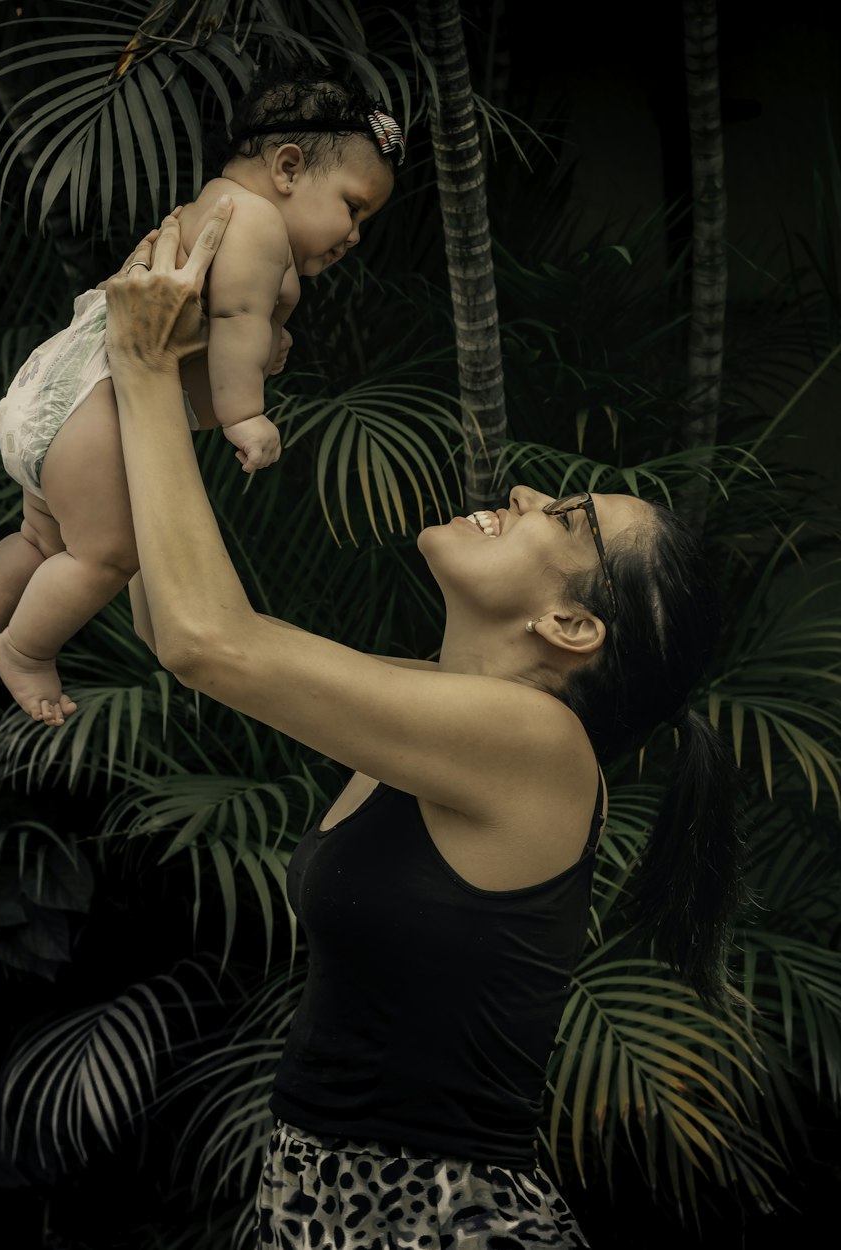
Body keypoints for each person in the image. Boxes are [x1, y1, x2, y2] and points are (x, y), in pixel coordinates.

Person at [102, 203, 746, 1248]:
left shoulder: (538, 749)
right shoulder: (427, 711)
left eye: (567, 517)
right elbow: (171, 611)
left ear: (570, 623)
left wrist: (139, 374)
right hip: (338, 1206)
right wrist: (174, 390)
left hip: (438, 1224)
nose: (531, 489)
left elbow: (205, 641)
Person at [0, 69, 403, 727]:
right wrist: (247, 414)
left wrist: (258, 351)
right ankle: (23, 648)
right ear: (289, 167)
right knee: (107, 554)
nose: (355, 234)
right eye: (353, 207)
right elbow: (239, 318)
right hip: (96, 400)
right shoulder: (257, 220)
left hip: (52, 386)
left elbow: (201, 353)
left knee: (42, 539)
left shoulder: (208, 206)